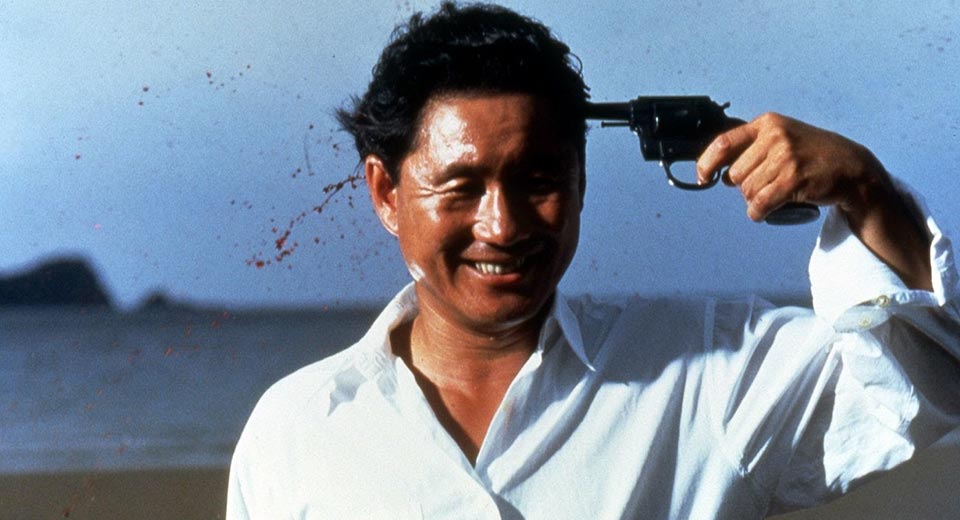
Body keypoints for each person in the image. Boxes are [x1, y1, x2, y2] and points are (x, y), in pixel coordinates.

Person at [227, 3, 960, 518]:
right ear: (386, 193)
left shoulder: (712, 374)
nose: (502, 224)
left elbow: (924, 385)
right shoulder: (295, 431)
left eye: (538, 179)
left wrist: (868, 194)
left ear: (581, 182)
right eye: (461, 186)